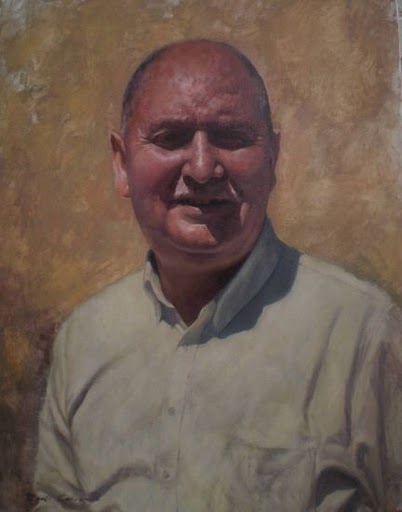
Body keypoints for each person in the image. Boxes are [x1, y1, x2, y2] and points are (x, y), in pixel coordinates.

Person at [34, 39, 402, 511]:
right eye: (170, 138)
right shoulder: (84, 339)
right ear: (121, 164)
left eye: (231, 136)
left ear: (273, 157)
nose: (203, 167)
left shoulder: (364, 334)